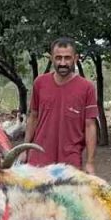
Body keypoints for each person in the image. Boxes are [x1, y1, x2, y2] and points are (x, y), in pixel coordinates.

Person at [23, 37, 98, 174]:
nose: (63, 63)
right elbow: (33, 117)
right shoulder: (40, 83)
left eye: (67, 58)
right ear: (52, 58)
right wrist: (24, 150)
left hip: (70, 160)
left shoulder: (87, 88)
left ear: (75, 58)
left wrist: (90, 162)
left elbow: (90, 126)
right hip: (39, 158)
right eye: (58, 58)